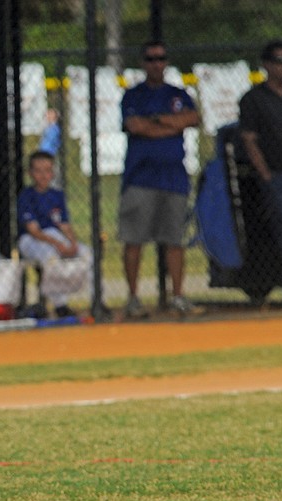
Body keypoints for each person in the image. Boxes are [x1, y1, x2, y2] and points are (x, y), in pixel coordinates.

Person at [119, 40, 202, 318]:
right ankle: (133, 298)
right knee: (134, 240)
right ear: (143, 63)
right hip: (140, 178)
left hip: (174, 178)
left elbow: (191, 118)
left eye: (161, 58)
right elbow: (135, 126)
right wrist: (170, 123)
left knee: (174, 241)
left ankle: (178, 296)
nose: (156, 63)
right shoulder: (134, 95)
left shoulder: (178, 93)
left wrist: (155, 122)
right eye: (151, 59)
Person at [238, 39, 282, 307]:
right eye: (280, 61)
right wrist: (265, 174)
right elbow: (249, 139)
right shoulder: (254, 99)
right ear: (266, 64)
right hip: (276, 177)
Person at [17, 151, 92, 318]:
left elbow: (64, 225)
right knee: (51, 257)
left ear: (53, 173)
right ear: (30, 173)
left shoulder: (56, 195)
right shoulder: (26, 196)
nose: (43, 175)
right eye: (38, 170)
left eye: (47, 170)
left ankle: (96, 301)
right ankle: (60, 305)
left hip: (55, 237)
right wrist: (58, 245)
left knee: (87, 253)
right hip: (31, 240)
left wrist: (72, 243)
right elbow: (34, 230)